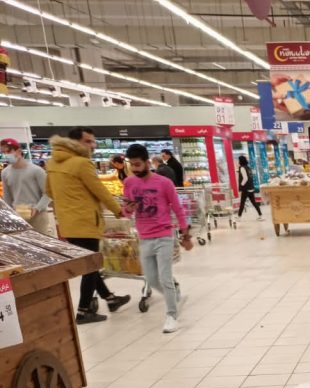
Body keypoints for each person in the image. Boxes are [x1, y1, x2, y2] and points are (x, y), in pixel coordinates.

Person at [45, 127, 130, 324]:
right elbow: (100, 190)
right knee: (91, 267)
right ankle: (84, 311)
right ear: (75, 142)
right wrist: (118, 210)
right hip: (85, 221)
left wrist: (68, 203)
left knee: (89, 263)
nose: (93, 145)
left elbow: (49, 191)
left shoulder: (52, 162)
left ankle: (110, 298)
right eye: (88, 141)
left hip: (67, 223)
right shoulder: (82, 163)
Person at [123, 144, 191, 334]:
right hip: (144, 237)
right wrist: (128, 209)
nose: (135, 169)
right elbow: (125, 212)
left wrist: (185, 233)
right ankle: (174, 292)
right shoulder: (129, 183)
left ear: (147, 162)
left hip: (164, 235)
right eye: (132, 165)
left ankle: (171, 315)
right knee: (152, 279)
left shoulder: (164, 183)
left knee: (165, 277)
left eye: (138, 164)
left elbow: (177, 208)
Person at [1, 137, 54, 236]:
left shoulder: (37, 170)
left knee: (41, 242)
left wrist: (37, 208)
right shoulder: (5, 173)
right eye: (3, 152)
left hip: (39, 216)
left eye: (8, 151)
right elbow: (7, 198)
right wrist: (10, 215)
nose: (6, 155)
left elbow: (48, 193)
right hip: (18, 216)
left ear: (19, 151)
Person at [236, 155, 262, 220]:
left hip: (245, 188)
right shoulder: (248, 168)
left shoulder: (242, 168)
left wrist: (241, 185)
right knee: (254, 202)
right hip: (250, 187)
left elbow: (245, 178)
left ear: (241, 161)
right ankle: (260, 215)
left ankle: (239, 216)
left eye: (238, 160)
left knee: (242, 202)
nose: (238, 161)